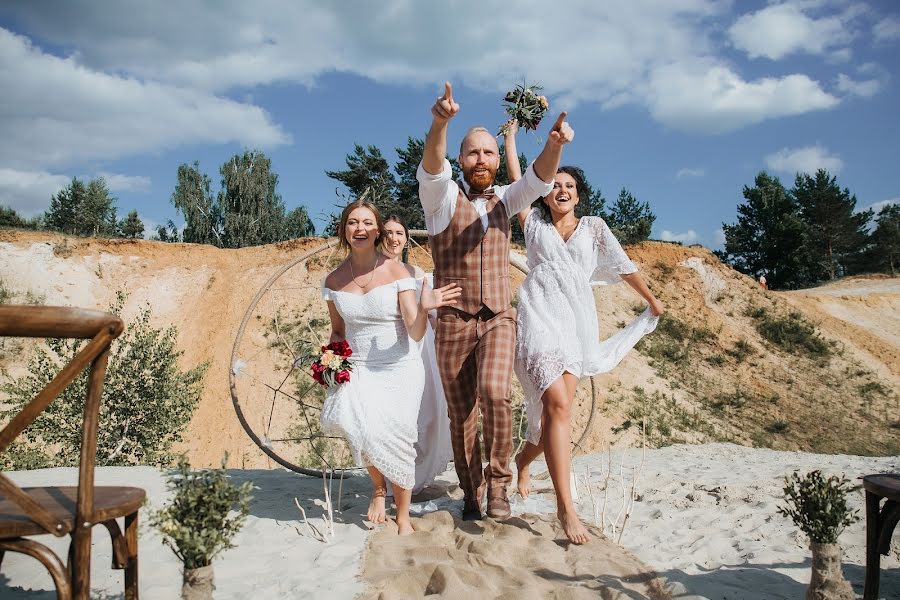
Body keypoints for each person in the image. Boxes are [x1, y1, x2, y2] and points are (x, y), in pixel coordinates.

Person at [416, 81, 574, 521]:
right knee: (461, 414)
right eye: (474, 153)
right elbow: (431, 167)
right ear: (461, 160)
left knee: (494, 393)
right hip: (451, 322)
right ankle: (471, 492)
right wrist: (440, 123)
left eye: (488, 152)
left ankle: (499, 484)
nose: (483, 159)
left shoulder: (507, 198)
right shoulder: (441, 200)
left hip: (499, 316)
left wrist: (553, 145)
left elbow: (539, 176)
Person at [503, 120, 664, 543]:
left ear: (578, 194)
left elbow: (625, 266)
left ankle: (524, 460)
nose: (561, 190)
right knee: (556, 401)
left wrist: (650, 299)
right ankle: (565, 507)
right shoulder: (532, 225)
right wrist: (510, 141)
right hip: (538, 316)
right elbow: (519, 180)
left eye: (569, 186)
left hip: (575, 323)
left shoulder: (594, 228)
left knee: (558, 414)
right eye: (555, 185)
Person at [320, 199, 461, 535]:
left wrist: (425, 308)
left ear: (376, 229)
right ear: (344, 229)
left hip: (400, 364)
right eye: (353, 222)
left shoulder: (398, 272)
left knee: (399, 435)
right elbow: (338, 329)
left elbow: (414, 331)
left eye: (367, 222)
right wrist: (331, 359)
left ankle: (402, 515)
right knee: (366, 432)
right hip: (359, 366)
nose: (360, 229)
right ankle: (378, 489)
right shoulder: (333, 280)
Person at [381, 215, 453, 493]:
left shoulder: (418, 274)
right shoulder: (372, 275)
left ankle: (419, 478)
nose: (394, 238)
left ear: (406, 238)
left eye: (400, 232)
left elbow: (432, 314)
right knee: (393, 417)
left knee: (430, 415)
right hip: (390, 350)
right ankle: (391, 482)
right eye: (388, 232)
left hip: (422, 349)